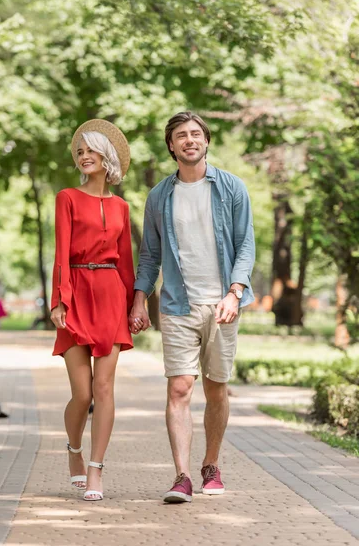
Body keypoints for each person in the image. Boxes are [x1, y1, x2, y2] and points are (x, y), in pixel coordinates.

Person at [129, 111, 255, 503]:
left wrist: (235, 292)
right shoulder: (159, 196)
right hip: (177, 305)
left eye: (195, 134)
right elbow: (150, 255)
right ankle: (181, 475)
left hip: (222, 305)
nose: (189, 140)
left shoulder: (231, 188)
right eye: (181, 135)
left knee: (217, 389)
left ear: (206, 140)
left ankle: (210, 465)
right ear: (171, 145)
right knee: (180, 387)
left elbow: (245, 244)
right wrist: (139, 300)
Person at [50, 119, 139, 502]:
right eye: (80, 151)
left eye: (91, 150)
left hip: (110, 299)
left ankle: (96, 469)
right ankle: (74, 450)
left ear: (108, 158)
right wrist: (59, 300)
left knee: (104, 388)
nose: (84, 156)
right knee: (82, 394)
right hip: (76, 295)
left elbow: (126, 264)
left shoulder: (121, 206)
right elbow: (60, 253)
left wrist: (137, 302)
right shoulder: (66, 197)